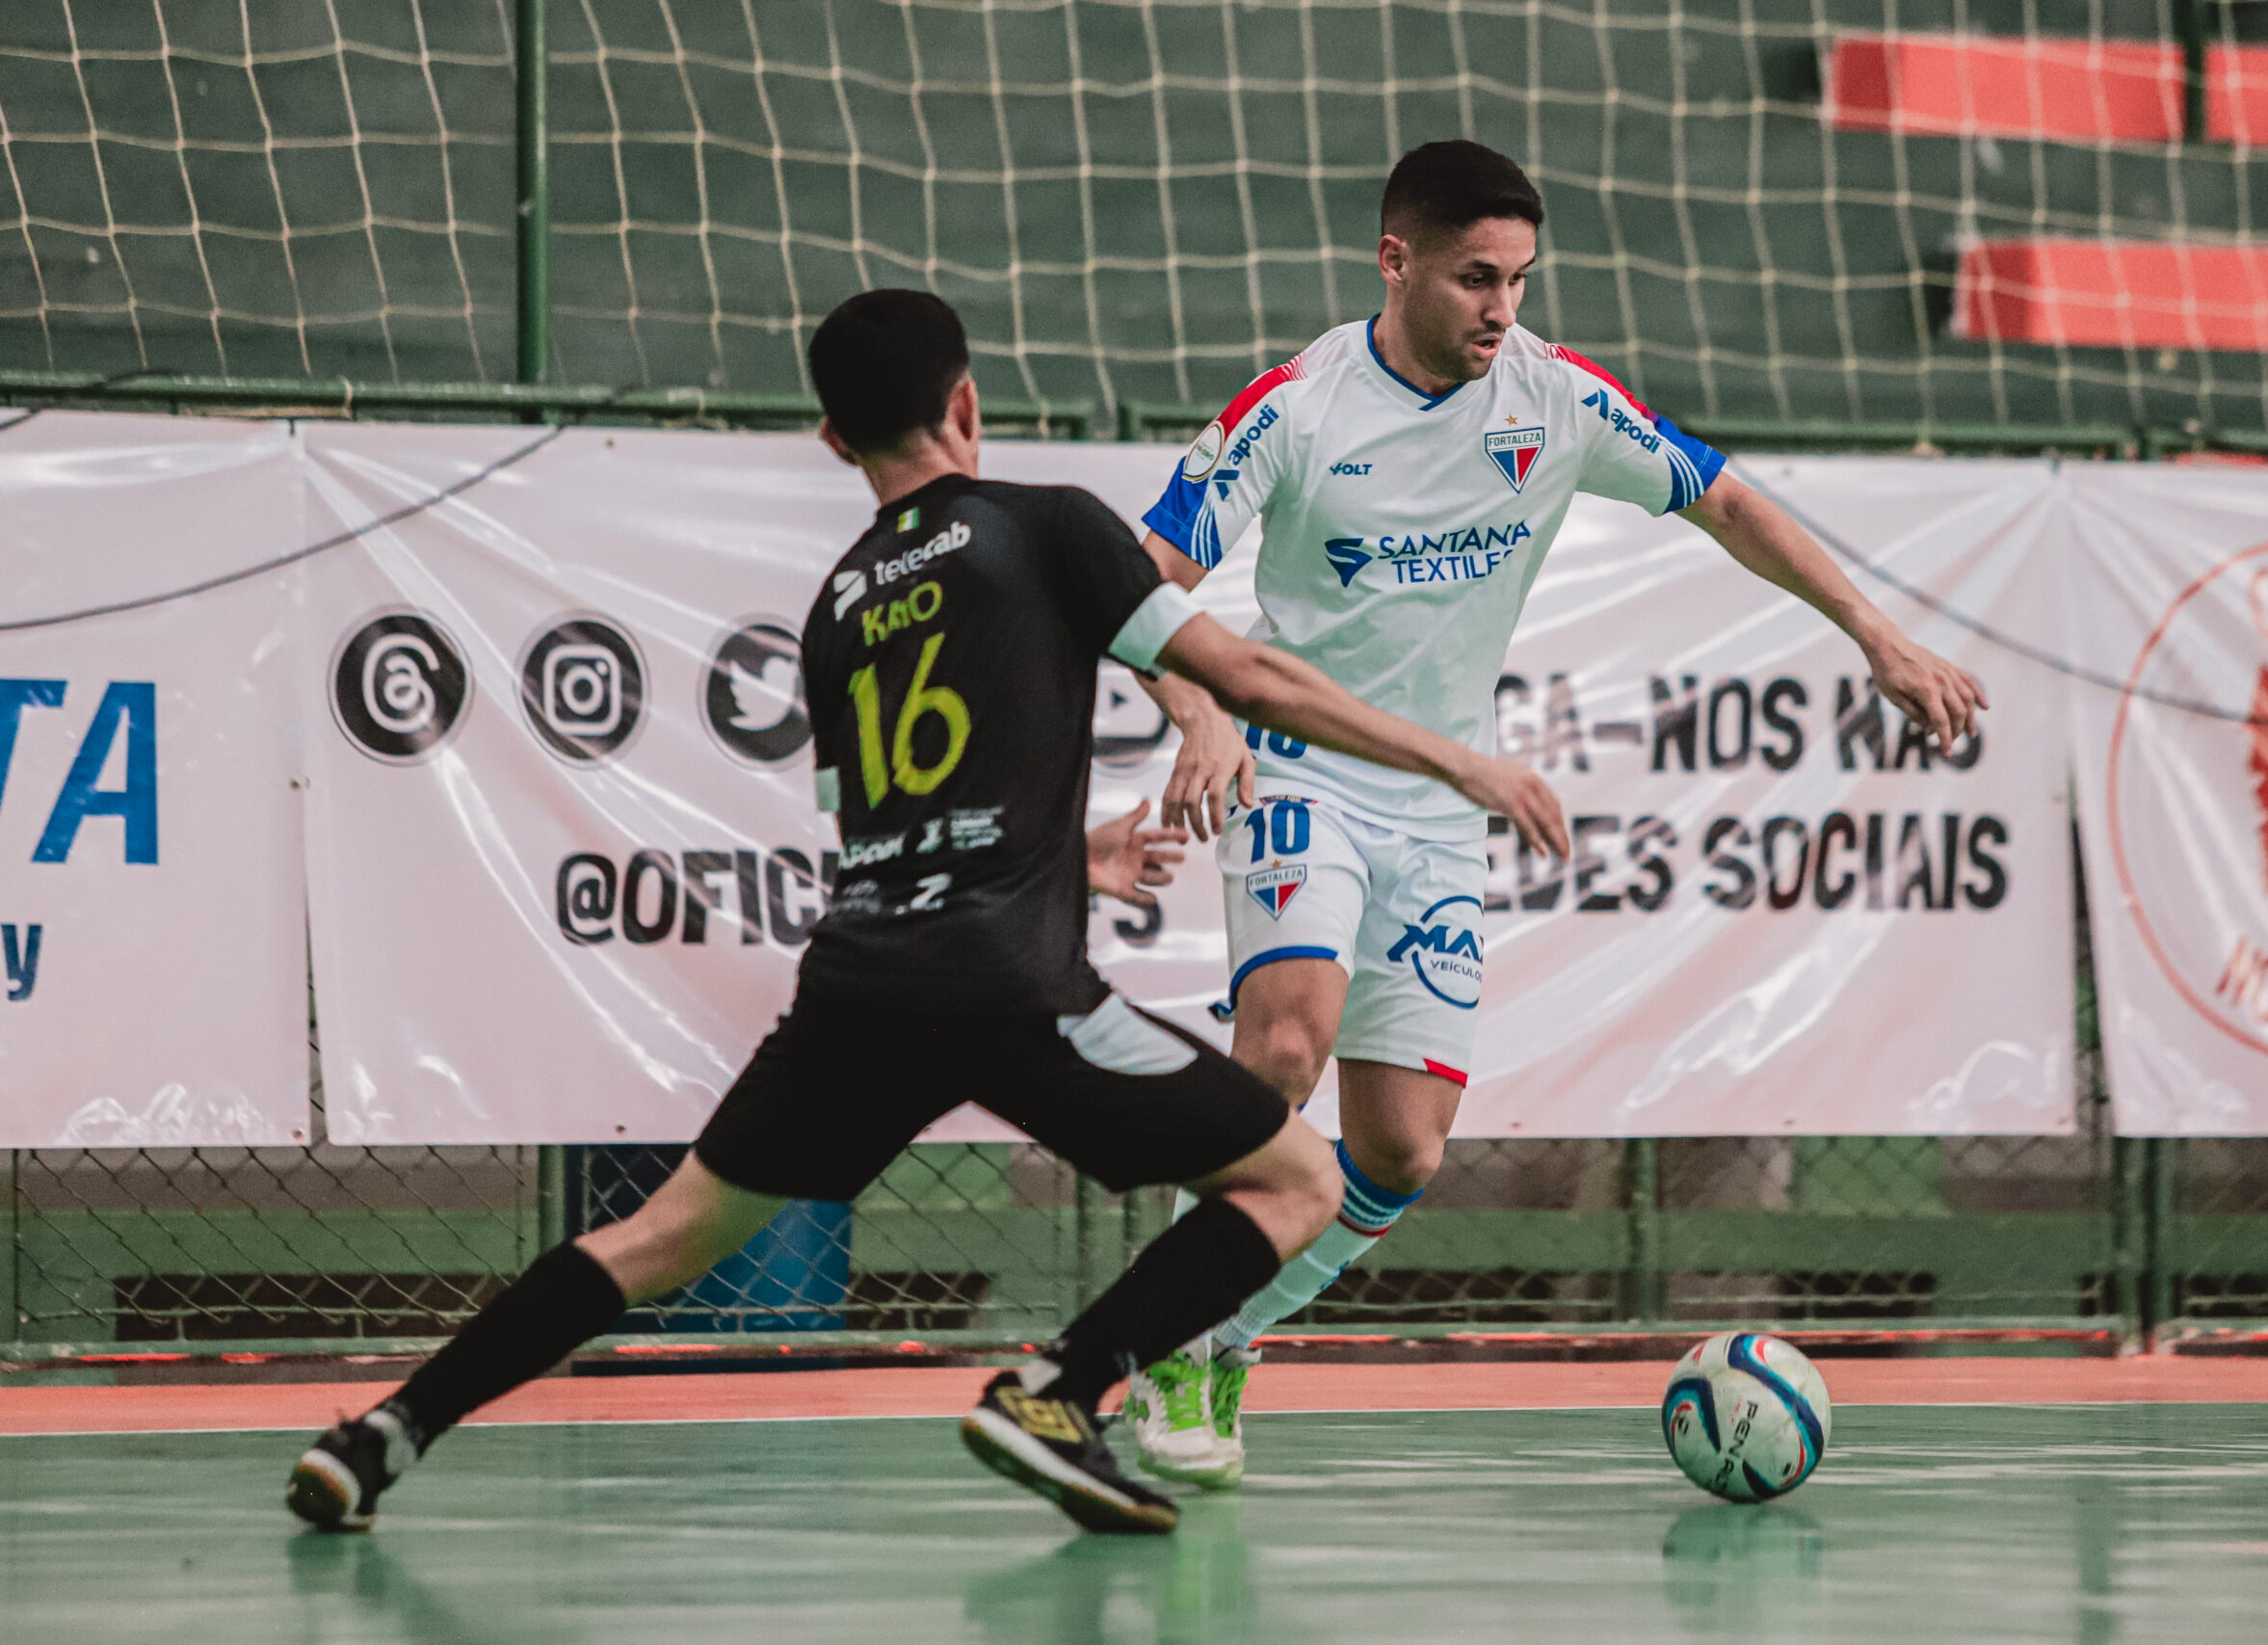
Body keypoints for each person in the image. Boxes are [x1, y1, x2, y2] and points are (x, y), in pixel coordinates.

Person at [282, 288, 1568, 1539]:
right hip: (1008, 987)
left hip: (859, 991)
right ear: (966, 403)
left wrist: (1076, 857)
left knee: (659, 1235)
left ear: (835, 439)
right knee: (1291, 1178)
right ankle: (1059, 1394)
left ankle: (384, 1432)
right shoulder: (1047, 526)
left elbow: (892, 837)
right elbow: (1247, 675)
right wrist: (1461, 762)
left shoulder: (836, 612)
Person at [1121, 140, 1988, 1486]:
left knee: (1401, 1154)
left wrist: (1876, 634)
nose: (1501, 310)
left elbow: (1729, 499)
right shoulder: (1294, 412)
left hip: (1439, 802)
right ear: (1394, 259)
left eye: (1521, 281)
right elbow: (1137, 582)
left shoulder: (1551, 398)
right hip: (1303, 773)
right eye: (1476, 278)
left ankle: (1223, 1328)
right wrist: (1203, 710)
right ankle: (1168, 1333)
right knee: (1288, 1037)